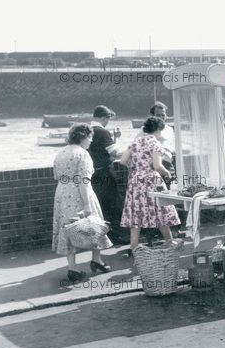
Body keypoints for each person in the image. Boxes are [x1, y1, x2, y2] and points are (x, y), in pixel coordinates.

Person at [52, 124, 113, 282]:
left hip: (62, 192)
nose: (91, 140)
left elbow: (56, 175)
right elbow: (83, 181)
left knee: (68, 228)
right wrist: (87, 205)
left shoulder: (61, 152)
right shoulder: (83, 154)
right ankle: (97, 260)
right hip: (79, 192)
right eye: (90, 137)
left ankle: (72, 268)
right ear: (83, 137)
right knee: (93, 225)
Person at [120, 117, 181, 253]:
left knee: (136, 212)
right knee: (160, 209)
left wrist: (135, 166)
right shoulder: (155, 143)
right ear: (158, 130)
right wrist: (167, 173)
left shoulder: (135, 142)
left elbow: (123, 160)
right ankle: (170, 242)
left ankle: (134, 247)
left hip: (135, 180)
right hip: (151, 179)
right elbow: (157, 166)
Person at [88, 105, 129, 244]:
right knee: (114, 203)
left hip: (92, 173)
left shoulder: (88, 130)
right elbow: (114, 153)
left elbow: (103, 152)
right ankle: (118, 236)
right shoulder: (102, 131)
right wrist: (132, 150)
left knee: (100, 205)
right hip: (105, 172)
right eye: (107, 119)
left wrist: (115, 139)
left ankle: (104, 237)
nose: (107, 122)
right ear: (104, 117)